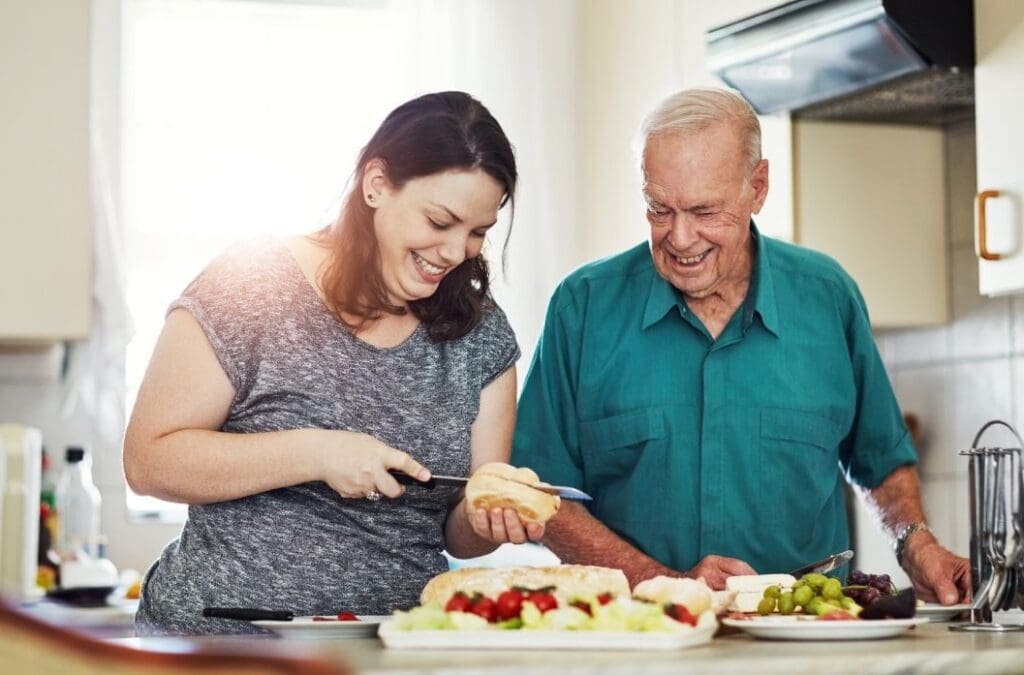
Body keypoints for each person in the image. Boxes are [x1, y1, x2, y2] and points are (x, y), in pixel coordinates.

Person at [511, 87, 970, 604]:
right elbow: (542, 494)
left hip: (807, 640)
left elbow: (880, 457)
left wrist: (914, 542)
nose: (681, 238)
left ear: (758, 187)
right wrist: (661, 585)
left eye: (705, 211)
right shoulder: (584, 306)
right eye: (659, 209)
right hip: (636, 641)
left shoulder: (828, 297)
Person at [125, 91, 542, 635]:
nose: (455, 251)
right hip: (216, 648)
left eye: (478, 232)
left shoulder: (480, 333)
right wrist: (317, 452)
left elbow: (459, 530)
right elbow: (148, 462)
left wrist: (488, 517)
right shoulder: (251, 284)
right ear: (376, 185)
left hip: (389, 652)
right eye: (440, 220)